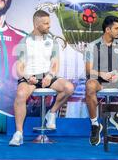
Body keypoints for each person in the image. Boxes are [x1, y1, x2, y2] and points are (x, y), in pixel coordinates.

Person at [8, 10, 74, 146]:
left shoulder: (52, 41)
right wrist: (27, 77)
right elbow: (19, 66)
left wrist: (50, 75)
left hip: (46, 76)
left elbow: (55, 63)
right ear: (36, 24)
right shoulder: (24, 41)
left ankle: (52, 113)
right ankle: (19, 133)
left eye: (49, 23)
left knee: (68, 88)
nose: (49, 26)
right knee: (20, 94)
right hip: (30, 76)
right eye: (46, 23)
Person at [85, 16, 118, 146]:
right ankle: (95, 125)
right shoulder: (92, 46)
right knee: (90, 85)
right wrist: (102, 74)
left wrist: (116, 75)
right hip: (99, 79)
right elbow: (88, 70)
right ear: (108, 29)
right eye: (116, 28)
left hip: (117, 79)